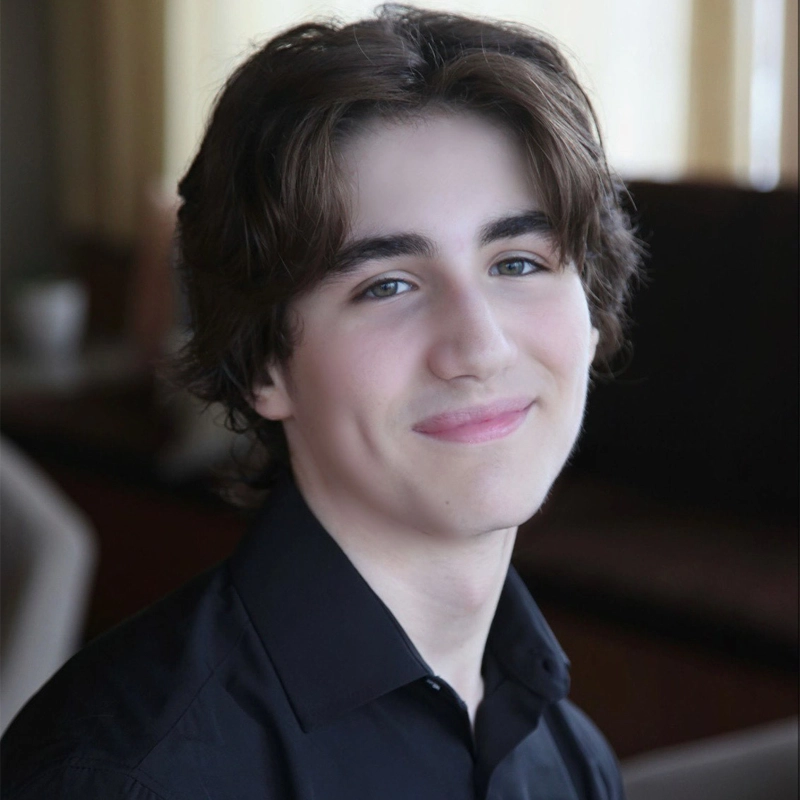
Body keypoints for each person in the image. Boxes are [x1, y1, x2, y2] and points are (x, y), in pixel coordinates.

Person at [1, 6, 641, 798]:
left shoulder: (570, 759)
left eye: (517, 263)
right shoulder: (128, 775)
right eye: (388, 285)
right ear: (263, 364)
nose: (479, 347)